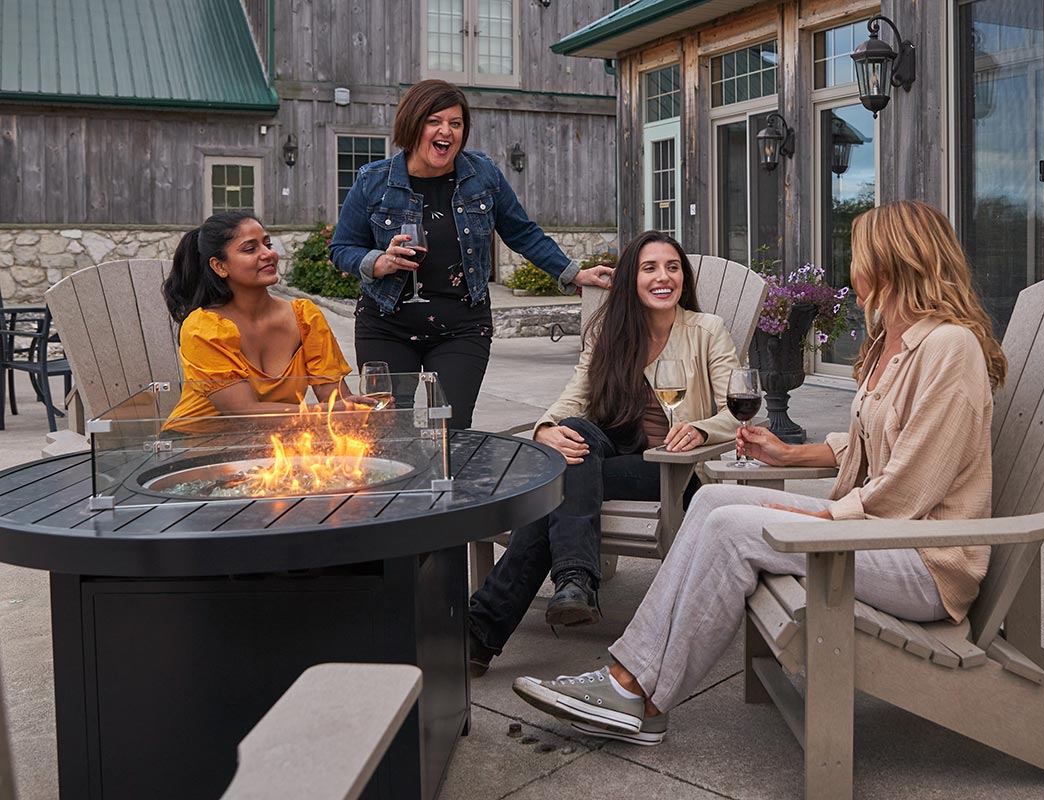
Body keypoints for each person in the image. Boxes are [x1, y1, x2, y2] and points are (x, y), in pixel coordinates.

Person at [511, 200, 1008, 746]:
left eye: (859, 257)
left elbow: (910, 485)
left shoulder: (948, 348)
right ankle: (627, 681)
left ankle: (639, 693)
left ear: (892, 262)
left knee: (736, 528)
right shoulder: (890, 342)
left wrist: (813, 515)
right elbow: (875, 445)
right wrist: (790, 456)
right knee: (710, 503)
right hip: (880, 535)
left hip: (924, 560)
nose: (852, 271)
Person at [468, 230, 742, 678]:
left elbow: (744, 407)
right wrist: (546, 428)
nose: (663, 277)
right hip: (612, 449)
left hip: (669, 466)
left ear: (683, 278)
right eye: (650, 268)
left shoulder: (706, 330)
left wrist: (701, 428)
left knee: (559, 480)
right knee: (573, 437)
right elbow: (575, 395)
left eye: (672, 267)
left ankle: (487, 628)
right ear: (631, 278)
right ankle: (573, 583)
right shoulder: (609, 333)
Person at [329, 79, 613, 430]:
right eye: (434, 121)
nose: (445, 131)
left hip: (461, 327)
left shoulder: (483, 175)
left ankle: (448, 487)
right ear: (412, 124)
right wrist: (379, 262)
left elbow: (522, 232)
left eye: (455, 123)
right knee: (388, 431)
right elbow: (341, 249)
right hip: (386, 325)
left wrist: (573, 273)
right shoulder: (373, 180)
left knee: (450, 429)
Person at [163, 211, 354, 421]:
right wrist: (327, 412)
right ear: (220, 266)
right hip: (195, 444)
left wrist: (363, 412)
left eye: (268, 245)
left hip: (272, 441)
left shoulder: (304, 318)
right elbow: (243, 412)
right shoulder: (204, 328)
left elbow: (338, 402)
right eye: (250, 249)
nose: (268, 254)